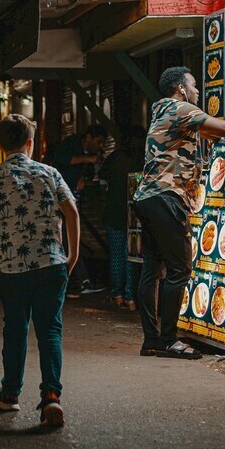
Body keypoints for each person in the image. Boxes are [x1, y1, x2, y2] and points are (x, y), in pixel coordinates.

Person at [133, 66, 225, 359]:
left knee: (152, 269)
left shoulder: (163, 110)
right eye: (194, 85)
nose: (198, 91)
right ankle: (169, 339)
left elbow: (211, 129)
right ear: (181, 88)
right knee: (179, 269)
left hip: (148, 197)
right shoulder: (182, 107)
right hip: (167, 197)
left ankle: (152, 340)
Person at [0, 114, 79, 427]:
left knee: (15, 328)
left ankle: (9, 394)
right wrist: (71, 256)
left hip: (12, 267)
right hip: (52, 263)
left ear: (2, 145)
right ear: (31, 143)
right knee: (50, 329)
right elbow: (71, 211)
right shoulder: (49, 173)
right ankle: (51, 397)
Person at [47, 123, 109, 298]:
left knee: (69, 238)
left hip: (72, 201)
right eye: (98, 142)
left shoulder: (85, 153)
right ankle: (77, 282)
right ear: (88, 137)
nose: (100, 147)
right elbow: (64, 160)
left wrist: (82, 177)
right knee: (66, 238)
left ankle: (78, 281)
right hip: (62, 202)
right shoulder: (70, 144)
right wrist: (88, 160)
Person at [98, 125, 147, 312]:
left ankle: (117, 295)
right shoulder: (144, 159)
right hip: (136, 216)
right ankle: (130, 298)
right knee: (133, 256)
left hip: (114, 213)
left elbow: (101, 178)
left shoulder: (115, 158)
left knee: (117, 256)